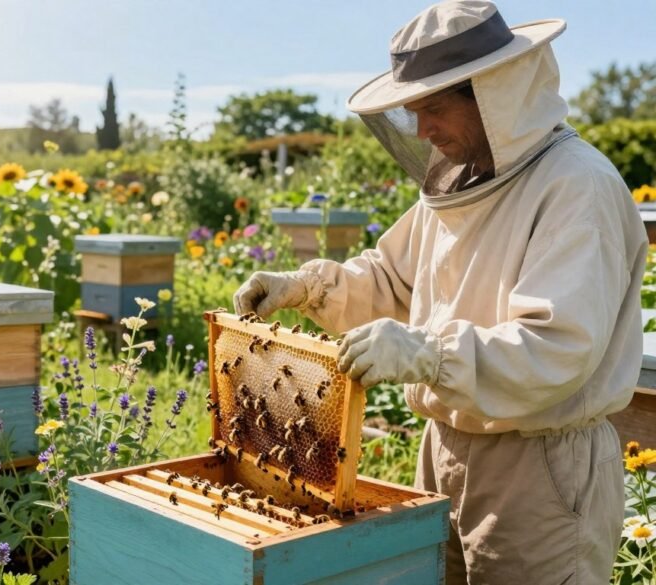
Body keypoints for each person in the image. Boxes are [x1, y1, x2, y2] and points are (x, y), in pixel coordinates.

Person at [233, 1, 647, 583]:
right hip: (443, 448)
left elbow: (556, 347)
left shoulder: (577, 188)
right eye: (413, 112)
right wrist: (305, 287)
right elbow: (392, 277)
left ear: (495, 95)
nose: (422, 130)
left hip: (539, 465)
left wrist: (428, 353)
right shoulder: (463, 182)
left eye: (434, 109)